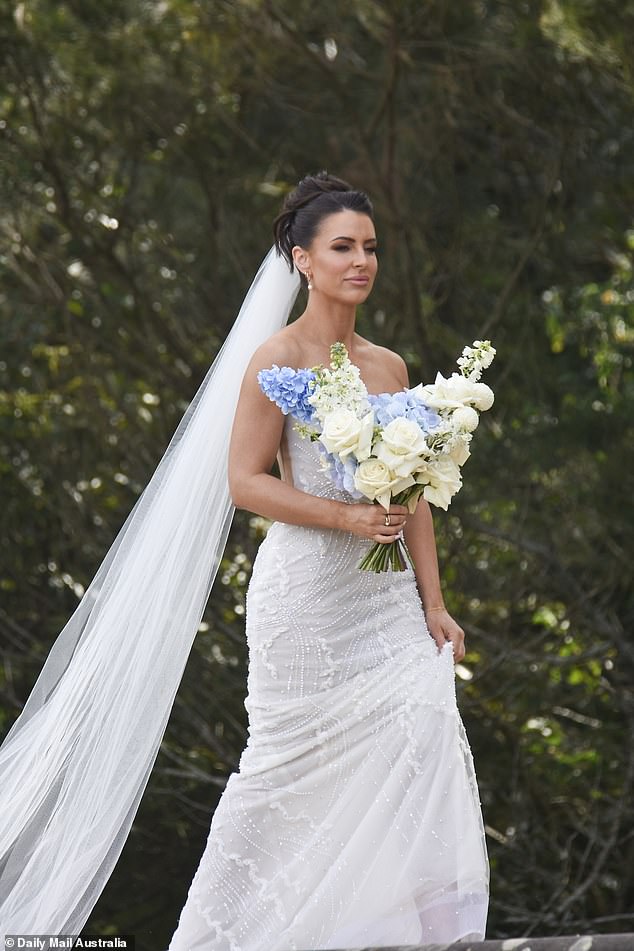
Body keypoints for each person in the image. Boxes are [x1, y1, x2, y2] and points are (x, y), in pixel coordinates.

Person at [166, 172, 489, 950]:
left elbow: (413, 503)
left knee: (423, 729)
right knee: (286, 776)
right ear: (302, 258)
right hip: (306, 600)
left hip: (384, 605)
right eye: (343, 247)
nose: (362, 262)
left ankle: (414, 933)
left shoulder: (389, 368)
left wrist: (433, 605)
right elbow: (245, 481)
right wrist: (346, 514)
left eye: (370, 247)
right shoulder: (275, 359)